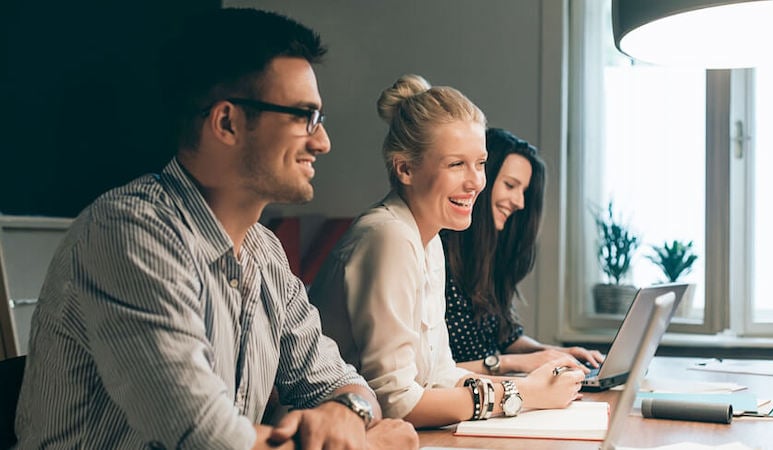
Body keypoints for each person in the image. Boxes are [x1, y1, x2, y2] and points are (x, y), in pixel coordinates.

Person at [14, 8, 416, 450]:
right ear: (227, 123)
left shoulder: (264, 250)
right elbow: (206, 441)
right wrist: (367, 443)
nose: (322, 142)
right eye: (305, 116)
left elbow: (342, 384)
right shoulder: (130, 233)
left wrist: (348, 414)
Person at [309, 74, 585, 429]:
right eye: (456, 164)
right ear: (405, 168)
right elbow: (395, 402)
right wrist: (526, 395)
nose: (475, 182)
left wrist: (534, 386)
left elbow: (439, 375)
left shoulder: (429, 240)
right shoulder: (388, 236)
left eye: (481, 163)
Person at [441, 128, 604, 376]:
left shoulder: (488, 255)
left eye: (524, 191)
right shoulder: (438, 253)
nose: (520, 202)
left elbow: (507, 339)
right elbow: (430, 375)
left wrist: (556, 354)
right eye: (510, 185)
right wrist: (512, 363)